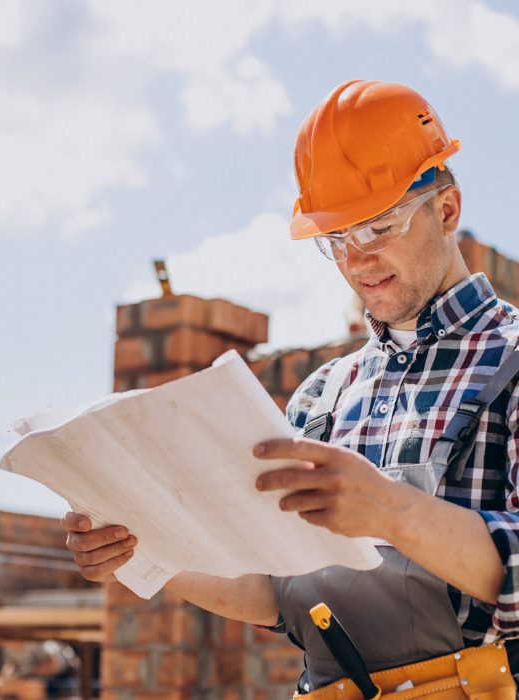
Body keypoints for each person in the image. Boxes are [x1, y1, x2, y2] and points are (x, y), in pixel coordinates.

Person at [62, 80, 519, 694]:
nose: (357, 261)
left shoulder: (511, 360)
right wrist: (143, 550)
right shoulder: (326, 394)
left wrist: (389, 509)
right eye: (336, 240)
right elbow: (277, 593)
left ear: (446, 210)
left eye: (378, 227)